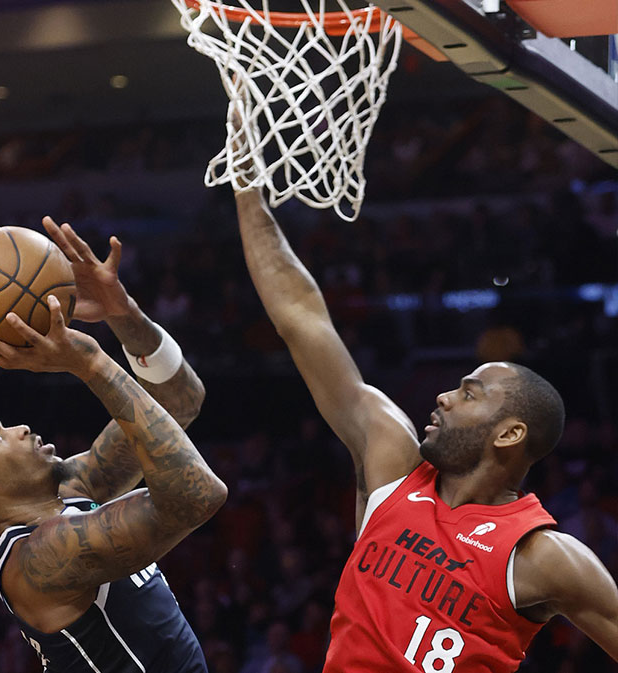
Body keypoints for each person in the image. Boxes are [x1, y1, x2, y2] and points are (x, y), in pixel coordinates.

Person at [232, 178, 618, 668]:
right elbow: (301, 318)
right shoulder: (392, 463)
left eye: (469, 393)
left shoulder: (543, 556)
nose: (444, 396)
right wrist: (247, 192)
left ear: (510, 433)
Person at [0, 219, 226, 672]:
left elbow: (180, 399)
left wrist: (122, 313)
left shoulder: (73, 487)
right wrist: (91, 363)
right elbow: (197, 495)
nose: (19, 429)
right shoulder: (39, 560)